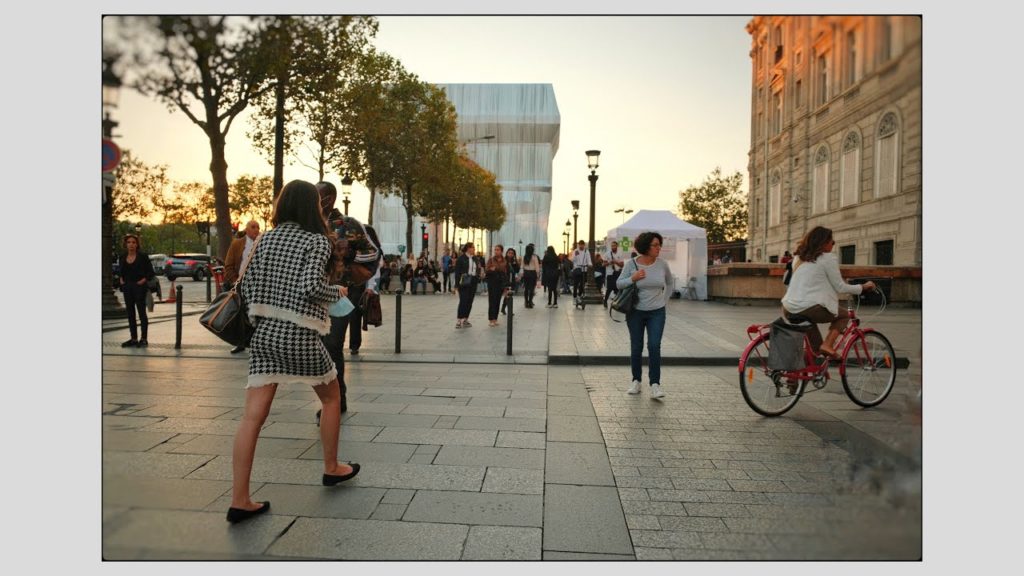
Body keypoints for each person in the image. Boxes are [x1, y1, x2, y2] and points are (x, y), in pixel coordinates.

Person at [229, 179, 360, 524]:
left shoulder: (264, 239)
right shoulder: (316, 240)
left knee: (251, 418)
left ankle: (239, 500)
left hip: (264, 334)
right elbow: (312, 286)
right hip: (299, 333)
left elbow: (249, 284)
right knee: (331, 398)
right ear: (312, 207)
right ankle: (332, 467)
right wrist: (339, 290)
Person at [781, 226, 875, 357]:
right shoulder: (828, 258)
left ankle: (795, 375)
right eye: (832, 241)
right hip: (808, 308)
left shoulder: (799, 258)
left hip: (788, 308)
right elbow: (840, 287)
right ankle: (828, 344)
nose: (833, 244)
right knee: (844, 315)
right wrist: (863, 287)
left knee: (815, 350)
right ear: (824, 242)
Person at [617, 231, 674, 399]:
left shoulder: (662, 264)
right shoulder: (631, 264)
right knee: (636, 346)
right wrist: (632, 278)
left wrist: (664, 300)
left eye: (659, 244)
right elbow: (619, 284)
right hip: (635, 312)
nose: (659, 248)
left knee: (654, 346)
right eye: (655, 245)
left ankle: (655, 384)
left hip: (657, 312)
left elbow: (669, 283)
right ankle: (636, 381)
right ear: (645, 247)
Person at [223, 220, 261, 353]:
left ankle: (256, 342)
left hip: (257, 286)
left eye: (258, 227)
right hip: (240, 284)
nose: (256, 230)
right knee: (240, 315)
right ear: (246, 229)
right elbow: (228, 265)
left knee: (255, 313)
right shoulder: (237, 244)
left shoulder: (263, 243)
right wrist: (234, 281)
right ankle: (241, 343)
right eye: (253, 227)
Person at [118, 234, 156, 348]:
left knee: (142, 313)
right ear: (125, 244)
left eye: (134, 242)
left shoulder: (143, 256)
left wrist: (142, 281)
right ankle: (133, 338)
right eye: (129, 242)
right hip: (127, 287)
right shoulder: (122, 256)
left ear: (137, 244)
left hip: (139, 287)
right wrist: (121, 280)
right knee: (130, 314)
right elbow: (121, 271)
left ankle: (143, 339)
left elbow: (150, 272)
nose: (131, 245)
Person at [454, 242, 482, 328]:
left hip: (473, 281)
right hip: (464, 280)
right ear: (468, 248)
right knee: (463, 300)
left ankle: (465, 319)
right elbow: (457, 272)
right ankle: (459, 320)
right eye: (473, 248)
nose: (474, 249)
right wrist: (456, 285)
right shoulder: (461, 259)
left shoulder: (475, 258)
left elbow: (478, 268)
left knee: (470, 301)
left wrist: (478, 276)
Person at [485, 244, 509, 326]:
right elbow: (487, 270)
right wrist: (492, 270)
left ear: (502, 251)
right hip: (492, 283)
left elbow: (505, 272)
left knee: (498, 301)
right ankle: (491, 319)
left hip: (500, 283)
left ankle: (495, 318)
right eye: (495, 249)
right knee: (492, 301)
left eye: (498, 249)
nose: (496, 251)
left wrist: (496, 269)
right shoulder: (491, 260)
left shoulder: (505, 261)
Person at [602, 240, 625, 308]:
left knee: (617, 288)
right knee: (609, 288)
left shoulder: (620, 254)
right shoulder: (607, 254)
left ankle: (617, 302)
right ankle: (605, 301)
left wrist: (615, 262)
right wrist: (609, 262)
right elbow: (603, 264)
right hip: (610, 273)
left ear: (617, 246)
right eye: (612, 246)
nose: (613, 247)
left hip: (617, 273)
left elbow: (622, 265)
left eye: (614, 246)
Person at [520, 243, 541, 309]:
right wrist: (538, 275)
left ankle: (526, 302)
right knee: (532, 289)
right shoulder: (534, 257)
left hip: (526, 273)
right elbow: (537, 266)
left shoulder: (524, 256)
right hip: (532, 273)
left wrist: (521, 274)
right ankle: (530, 302)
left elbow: (522, 266)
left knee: (526, 288)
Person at [501, 247, 519, 315]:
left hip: (512, 280)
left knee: (509, 295)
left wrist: (515, 263)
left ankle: (503, 308)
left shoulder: (514, 261)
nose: (510, 254)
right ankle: (508, 310)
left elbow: (517, 270)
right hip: (506, 280)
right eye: (509, 253)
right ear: (507, 253)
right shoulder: (504, 260)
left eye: (512, 253)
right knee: (508, 294)